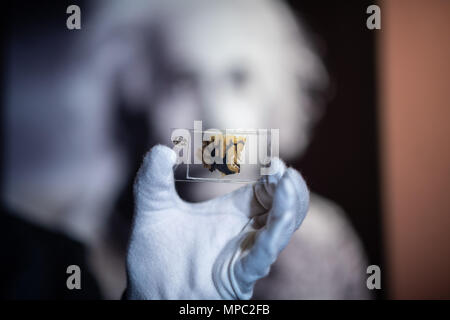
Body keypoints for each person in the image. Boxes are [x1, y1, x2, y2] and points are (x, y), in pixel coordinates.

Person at [4, 0, 370, 299]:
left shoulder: (321, 243)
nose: (215, 117)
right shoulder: (69, 252)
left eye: (238, 78)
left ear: (275, 98)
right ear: (134, 101)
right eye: (183, 81)